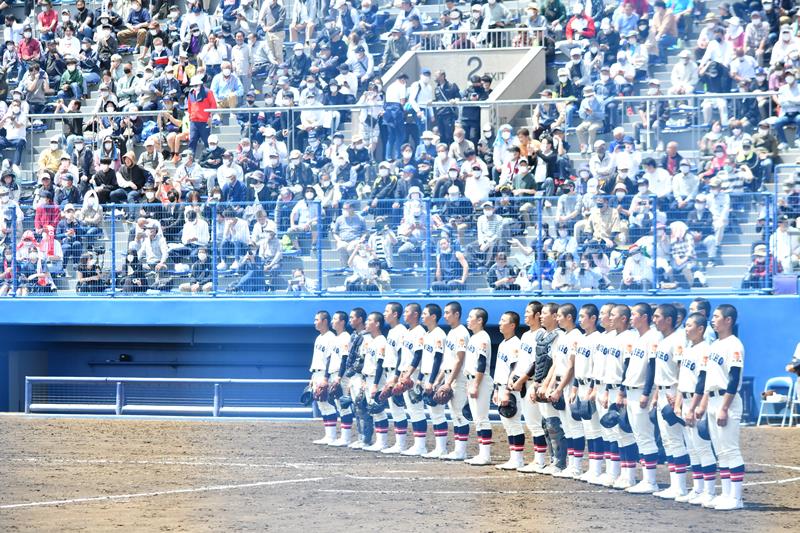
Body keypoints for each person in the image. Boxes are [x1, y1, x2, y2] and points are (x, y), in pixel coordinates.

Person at [692, 304, 746, 510]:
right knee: (721, 451)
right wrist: (704, 405)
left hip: (727, 400)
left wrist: (724, 407)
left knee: (730, 449)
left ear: (728, 320)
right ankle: (725, 494)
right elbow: (708, 380)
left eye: (716, 316)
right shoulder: (714, 345)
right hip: (713, 399)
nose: (712, 320)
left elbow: (733, 378)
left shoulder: (734, 344)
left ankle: (737, 498)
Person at [673, 312, 718, 505]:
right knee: (692, 448)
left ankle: (709, 491)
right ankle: (698, 489)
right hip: (686, 400)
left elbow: (703, 381)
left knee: (703, 447)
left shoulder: (705, 350)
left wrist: (695, 406)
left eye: (690, 325)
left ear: (701, 329)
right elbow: (683, 381)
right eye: (685, 325)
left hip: (696, 403)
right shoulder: (688, 349)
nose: (686, 328)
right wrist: (678, 403)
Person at [618, 302, 662, 494]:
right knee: (638, 436)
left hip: (643, 391)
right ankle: (644, 478)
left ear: (644, 317)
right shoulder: (637, 337)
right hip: (632, 390)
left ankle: (650, 481)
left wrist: (646, 392)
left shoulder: (653, 336)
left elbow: (653, 366)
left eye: (634, 314)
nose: (631, 317)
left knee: (645, 436)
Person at [651, 304, 691, 500]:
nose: (654, 319)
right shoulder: (662, 339)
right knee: (668, 440)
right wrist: (656, 395)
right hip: (662, 393)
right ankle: (676, 486)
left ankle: (681, 487)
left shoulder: (678, 340)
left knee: (678, 440)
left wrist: (679, 399)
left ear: (669, 319)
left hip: (675, 394)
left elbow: (683, 370)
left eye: (657, 316)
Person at [544, 304, 585, 479]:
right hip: (560, 383)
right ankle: (570, 464)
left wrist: (559, 389)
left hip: (569, 385)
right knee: (567, 428)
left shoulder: (576, 336)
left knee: (575, 427)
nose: (557, 318)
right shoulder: (563, 336)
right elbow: (557, 365)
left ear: (569, 317)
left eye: (560, 315)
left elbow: (571, 367)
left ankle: (576, 466)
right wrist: (551, 386)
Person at [432, 301, 471, 460]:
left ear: (457, 314)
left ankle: (461, 451)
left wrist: (448, 382)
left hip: (458, 378)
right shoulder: (451, 332)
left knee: (460, 414)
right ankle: (457, 450)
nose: (445, 315)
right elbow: (448, 361)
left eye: (448, 312)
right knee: (455, 415)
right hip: (449, 376)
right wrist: (439, 380)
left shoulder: (461, 332)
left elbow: (459, 360)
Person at [571, 304, 604, 483]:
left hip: (591, 386)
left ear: (593, 318)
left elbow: (596, 366)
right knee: (588, 430)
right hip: (581, 385)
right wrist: (575, 388)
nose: (580, 319)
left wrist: (592, 389)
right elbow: (578, 366)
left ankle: (597, 469)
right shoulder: (582, 338)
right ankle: (592, 468)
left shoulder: (597, 338)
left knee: (595, 429)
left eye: (584, 316)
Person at [493, 311, 525, 471]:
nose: (499, 323)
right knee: (508, 425)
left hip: (510, 389)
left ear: (512, 325)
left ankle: (518, 459)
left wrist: (505, 390)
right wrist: (496, 390)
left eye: (503, 320)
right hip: (501, 387)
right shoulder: (503, 343)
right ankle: (514, 458)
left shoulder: (515, 344)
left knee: (514, 424)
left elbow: (514, 368)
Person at [378, 303, 409, 454]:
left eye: (387, 311)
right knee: (395, 410)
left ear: (395, 314)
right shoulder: (392, 331)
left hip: (396, 374)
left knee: (398, 409)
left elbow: (402, 355)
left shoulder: (401, 331)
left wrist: (396, 377)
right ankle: (399, 443)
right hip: (389, 373)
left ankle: (401, 444)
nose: (384, 313)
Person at [464, 307, 493, 466]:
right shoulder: (474, 337)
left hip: (479, 380)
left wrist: (475, 385)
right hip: (471, 379)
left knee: (482, 419)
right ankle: (482, 453)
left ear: (480, 320)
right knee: (477, 419)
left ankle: (486, 455)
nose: (468, 319)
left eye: (471, 317)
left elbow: (481, 363)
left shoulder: (483, 337)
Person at [397, 303, 428, 456]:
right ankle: (418, 444)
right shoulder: (408, 331)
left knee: (417, 410)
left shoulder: (419, 331)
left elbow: (418, 355)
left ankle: (421, 446)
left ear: (415, 314)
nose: (404, 314)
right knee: (411, 410)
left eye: (407, 311)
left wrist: (408, 374)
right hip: (406, 373)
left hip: (414, 375)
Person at [418, 304, 447, 458]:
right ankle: (439, 448)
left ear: (433, 316)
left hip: (435, 378)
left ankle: (441, 448)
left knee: (437, 413)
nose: (422, 316)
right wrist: (420, 378)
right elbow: (425, 359)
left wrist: (431, 381)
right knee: (433, 413)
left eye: (425, 313)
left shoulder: (439, 334)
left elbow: (437, 359)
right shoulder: (428, 334)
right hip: (427, 376)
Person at [325, 311, 356, 447]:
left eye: (335, 319)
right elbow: (330, 358)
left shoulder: (345, 337)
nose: (332, 321)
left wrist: (338, 377)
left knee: (344, 406)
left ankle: (346, 438)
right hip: (333, 373)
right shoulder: (334, 338)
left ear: (342, 322)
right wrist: (327, 376)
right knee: (338, 404)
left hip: (340, 375)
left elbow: (344, 359)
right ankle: (342, 437)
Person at [360, 311, 390, 451]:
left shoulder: (381, 341)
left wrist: (376, 385)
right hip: (368, 378)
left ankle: (382, 442)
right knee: (373, 411)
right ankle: (379, 441)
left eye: (369, 320)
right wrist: (364, 380)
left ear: (377, 323)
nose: (366, 322)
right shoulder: (370, 340)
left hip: (376, 380)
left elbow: (379, 365)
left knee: (378, 411)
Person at [309, 311, 338, 445]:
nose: (315, 322)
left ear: (325, 321)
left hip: (325, 374)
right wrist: (312, 377)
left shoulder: (330, 337)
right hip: (316, 373)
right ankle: (328, 435)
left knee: (328, 404)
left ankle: (332, 436)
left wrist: (326, 378)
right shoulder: (319, 337)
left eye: (317, 320)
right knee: (321, 405)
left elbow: (329, 360)